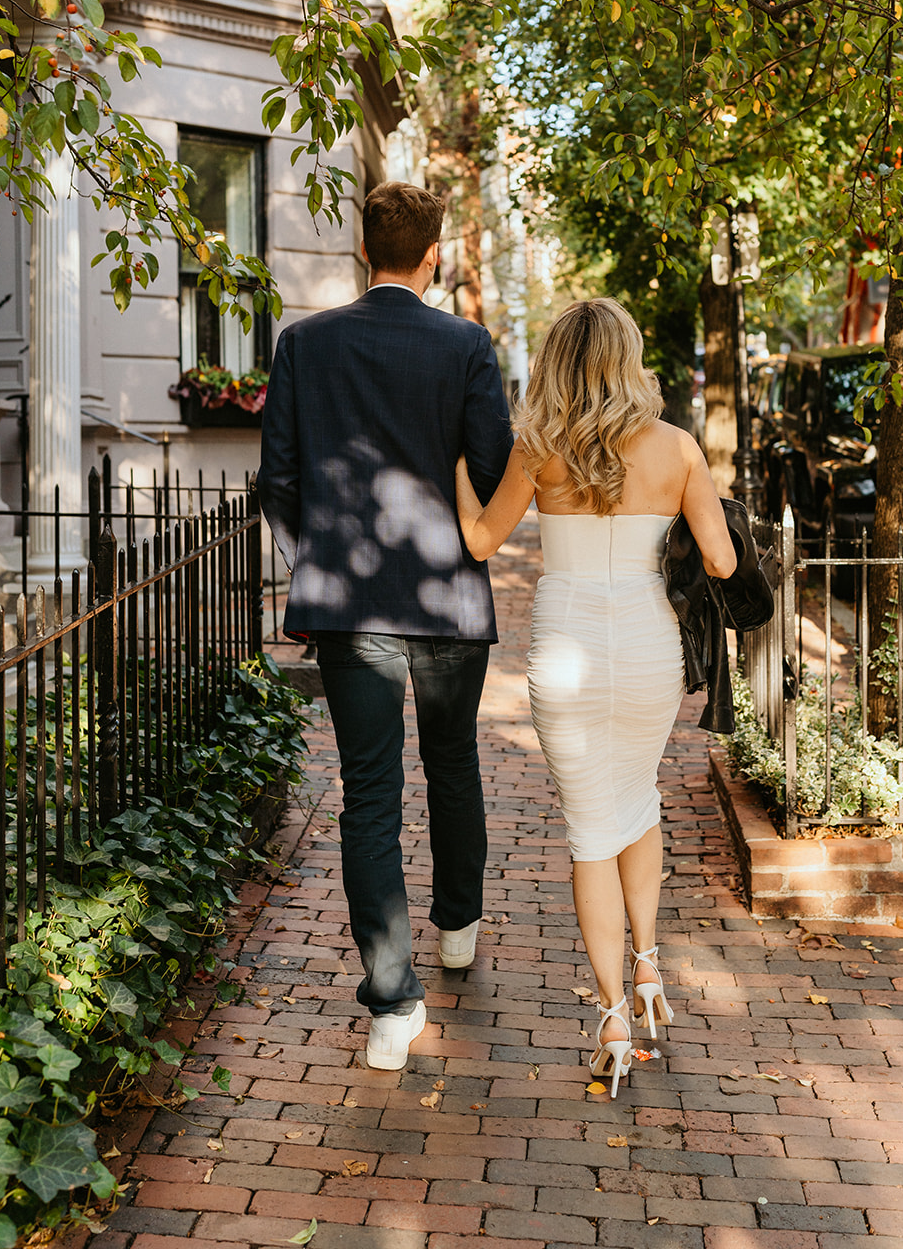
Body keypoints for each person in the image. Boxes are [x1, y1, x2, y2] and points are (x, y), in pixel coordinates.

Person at [258, 182, 512, 1072]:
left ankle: (391, 1006)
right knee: (452, 763)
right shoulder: (465, 345)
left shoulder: (305, 344)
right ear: (433, 253)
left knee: (369, 791)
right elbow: (492, 465)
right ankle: (457, 927)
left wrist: (313, 563)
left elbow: (278, 481)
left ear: (363, 248)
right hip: (445, 595)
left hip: (350, 600)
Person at [455, 298, 735, 1097]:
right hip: (646, 644)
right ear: (627, 357)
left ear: (556, 364)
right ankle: (648, 969)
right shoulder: (677, 448)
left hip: (567, 648)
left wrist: (452, 476)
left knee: (589, 830)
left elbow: (480, 542)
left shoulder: (536, 448)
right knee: (636, 801)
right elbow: (718, 563)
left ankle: (612, 1015)